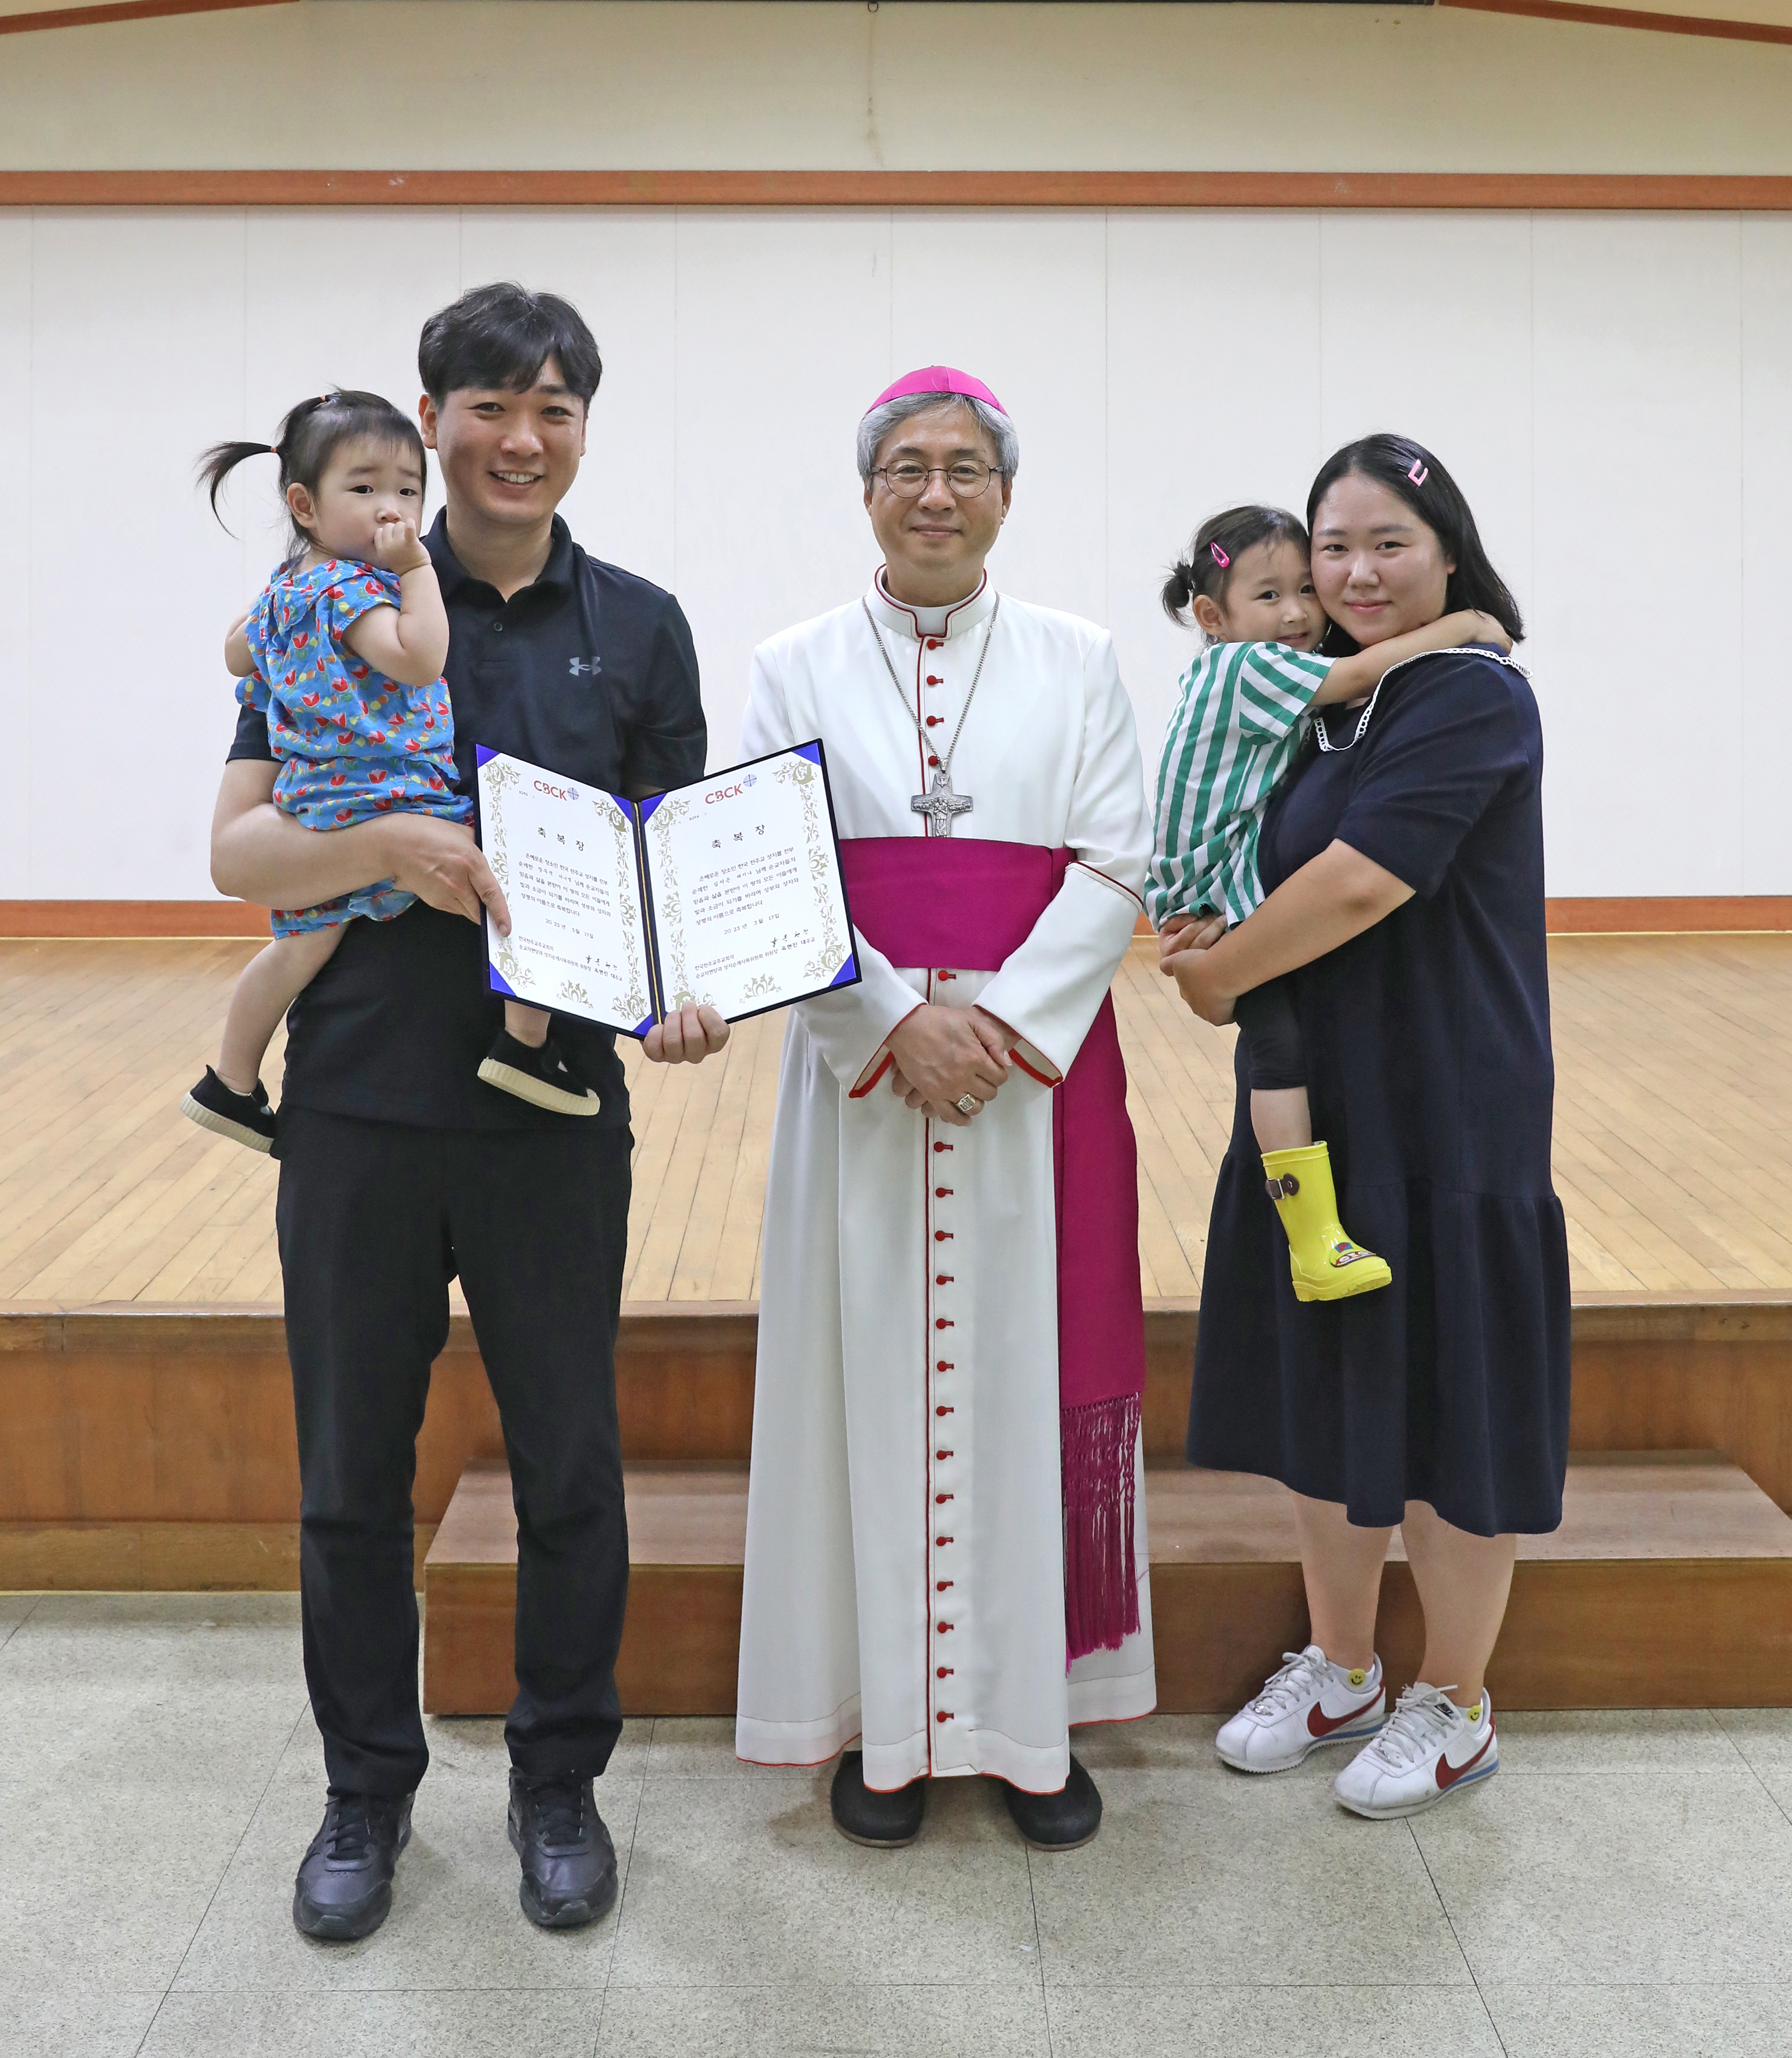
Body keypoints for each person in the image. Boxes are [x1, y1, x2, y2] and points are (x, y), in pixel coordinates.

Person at [208, 282, 728, 1941]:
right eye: (489, 405)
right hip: (354, 1104)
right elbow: (238, 854)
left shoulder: (638, 625)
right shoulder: (322, 596)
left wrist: (688, 981)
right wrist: (384, 850)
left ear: (583, 427)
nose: (521, 437)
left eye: (554, 408)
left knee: (572, 1462)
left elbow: (675, 874)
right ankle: (364, 1789)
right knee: (350, 1477)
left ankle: (557, 1780)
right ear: (427, 419)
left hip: (551, 1107)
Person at [733, 366, 1155, 1852]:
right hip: (860, 1082)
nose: (933, 491)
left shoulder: (1077, 656)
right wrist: (890, 1024)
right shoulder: (788, 663)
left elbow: (1115, 865)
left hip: (1026, 1090)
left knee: (1023, 1377)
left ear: (1003, 493)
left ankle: (1030, 1731)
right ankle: (886, 1731)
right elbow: (765, 866)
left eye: (962, 467)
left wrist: (994, 1025)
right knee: (865, 1388)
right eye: (904, 466)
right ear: (865, 492)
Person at [1166, 433, 1568, 1818]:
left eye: (1385, 544)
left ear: (1445, 550)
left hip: (1449, 1101)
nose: (1353, 573)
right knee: (1328, 1382)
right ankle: (1338, 1663)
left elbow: (1355, 883)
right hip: (1314, 1097)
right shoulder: (1311, 703)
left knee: (1453, 1396)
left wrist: (1218, 975)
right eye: (1330, 549)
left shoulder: (1465, 692)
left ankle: (1453, 1698)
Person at [183, 391, 595, 1155]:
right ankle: (525, 1047)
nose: (391, 509)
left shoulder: (282, 594)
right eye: (365, 489)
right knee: (525, 872)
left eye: (408, 489)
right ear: (304, 504)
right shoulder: (355, 589)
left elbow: (235, 654)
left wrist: (271, 627)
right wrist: (415, 569)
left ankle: (230, 1082)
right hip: (387, 790)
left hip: (316, 799)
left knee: (301, 945)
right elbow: (420, 656)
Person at [1149, 501, 1511, 1301]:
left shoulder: (1239, 665)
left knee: (1278, 1047)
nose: (1297, 614)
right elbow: (1355, 674)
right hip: (1211, 884)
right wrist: (1465, 624)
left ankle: (1313, 1234)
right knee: (1277, 1051)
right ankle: (1313, 1239)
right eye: (1268, 597)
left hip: (1212, 874)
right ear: (1214, 616)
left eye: (1300, 593)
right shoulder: (1245, 667)